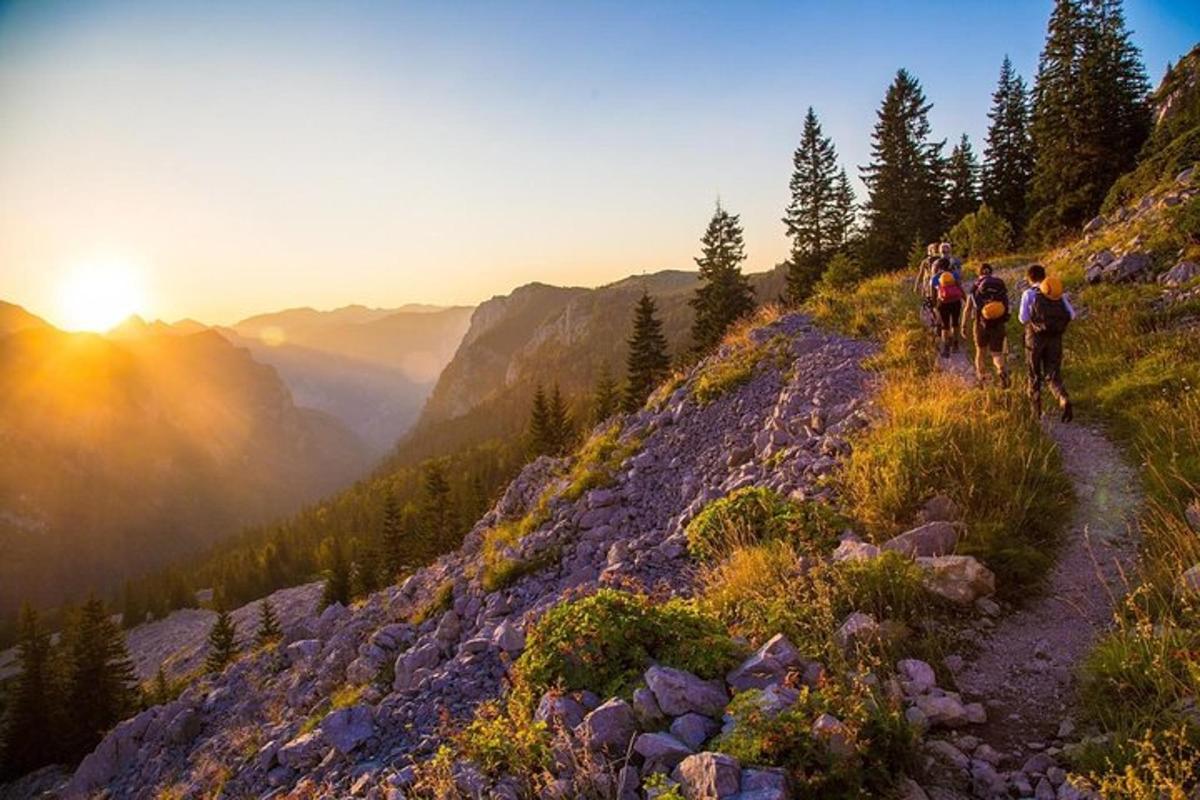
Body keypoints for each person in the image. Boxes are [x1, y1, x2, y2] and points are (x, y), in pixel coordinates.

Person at [1018, 264, 1075, 421]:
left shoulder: (1029, 293)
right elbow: (1072, 314)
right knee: (1053, 374)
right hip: (1055, 338)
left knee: (1034, 374)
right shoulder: (1056, 293)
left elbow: (1023, 318)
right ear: (1044, 276)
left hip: (1034, 339)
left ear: (1029, 278)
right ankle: (1063, 398)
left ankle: (1036, 412)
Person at [962, 262, 1010, 387]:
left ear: (979, 273)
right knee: (997, 353)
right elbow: (1006, 306)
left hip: (980, 324)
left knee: (980, 352)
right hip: (998, 323)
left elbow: (967, 309)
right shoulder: (999, 285)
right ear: (991, 272)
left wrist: (963, 325)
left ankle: (982, 379)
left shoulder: (975, 287)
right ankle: (1001, 370)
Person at [931, 257, 964, 358]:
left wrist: (934, 305)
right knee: (955, 323)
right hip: (955, 302)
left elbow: (933, 293)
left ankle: (946, 347)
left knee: (945, 325)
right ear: (949, 265)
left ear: (938, 267)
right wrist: (965, 299)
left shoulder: (935, 277)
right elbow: (960, 287)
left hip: (943, 303)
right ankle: (955, 345)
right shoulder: (954, 275)